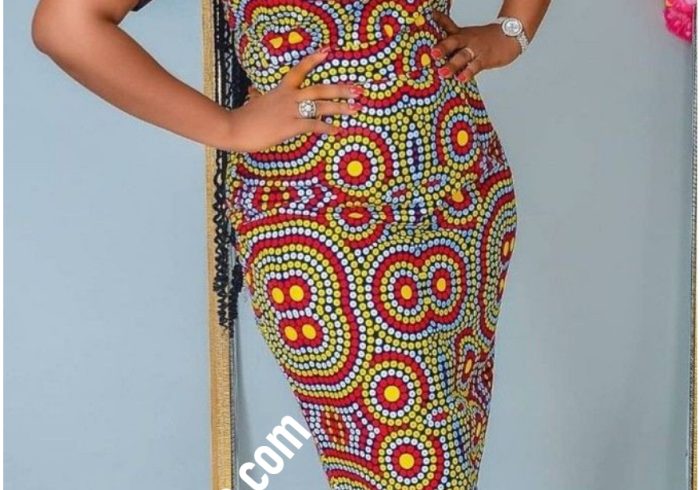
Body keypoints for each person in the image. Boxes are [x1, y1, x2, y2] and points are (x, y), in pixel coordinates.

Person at [31, 0, 550, 488]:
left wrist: (512, 31)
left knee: (450, 458)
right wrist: (228, 127)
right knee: (414, 469)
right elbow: (67, 24)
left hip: (465, 194)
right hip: (319, 222)